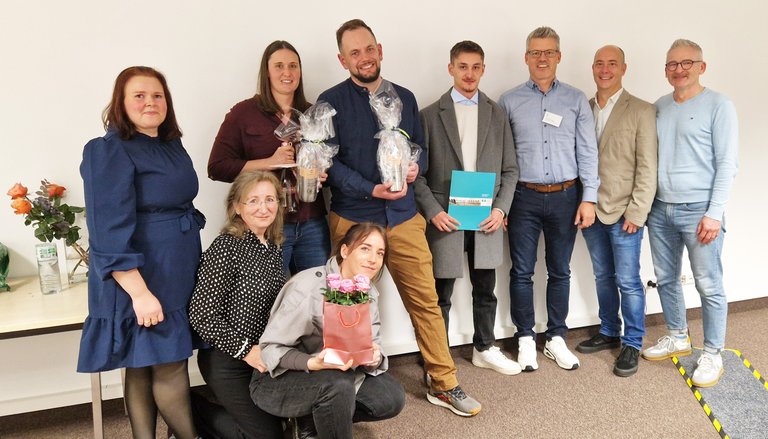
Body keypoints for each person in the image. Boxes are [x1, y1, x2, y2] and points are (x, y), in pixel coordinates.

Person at [317, 18, 481, 416]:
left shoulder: (403, 97)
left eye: (369, 49)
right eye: (354, 52)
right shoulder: (328, 102)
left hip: (405, 218)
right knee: (348, 304)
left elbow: (419, 148)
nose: (364, 57)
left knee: (425, 301)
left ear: (380, 50)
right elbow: (328, 164)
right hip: (354, 219)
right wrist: (369, 188)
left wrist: (413, 166)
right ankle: (346, 387)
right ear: (342, 59)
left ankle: (443, 382)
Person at [77, 66, 205, 439]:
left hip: (174, 269)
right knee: (168, 364)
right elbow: (107, 230)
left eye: (158, 95)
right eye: (139, 95)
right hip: (140, 273)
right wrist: (139, 292)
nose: (150, 102)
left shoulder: (169, 144)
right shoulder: (108, 151)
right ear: (121, 102)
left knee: (143, 362)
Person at [413, 40, 521, 375]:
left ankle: (484, 347)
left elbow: (510, 170)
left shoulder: (496, 113)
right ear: (451, 68)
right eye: (463, 66)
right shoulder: (429, 115)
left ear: (483, 69)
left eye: (476, 67)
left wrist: (501, 210)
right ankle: (437, 355)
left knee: (485, 289)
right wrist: (433, 211)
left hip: (486, 217)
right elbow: (415, 174)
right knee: (439, 293)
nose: (469, 74)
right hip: (447, 218)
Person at [498, 26, 599, 372]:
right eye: (535, 52)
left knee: (560, 271)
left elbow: (587, 151)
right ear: (526, 57)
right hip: (523, 198)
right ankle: (525, 338)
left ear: (559, 56)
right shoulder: (508, 101)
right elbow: (501, 158)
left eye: (549, 52)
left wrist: (590, 198)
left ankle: (556, 337)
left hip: (566, 197)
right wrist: (503, 203)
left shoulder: (575, 99)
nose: (542, 59)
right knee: (521, 272)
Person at [641, 39, 738, 388]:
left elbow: (727, 164)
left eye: (686, 63)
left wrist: (714, 213)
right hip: (660, 209)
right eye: (671, 64)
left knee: (708, 284)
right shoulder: (659, 107)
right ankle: (678, 336)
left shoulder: (719, 105)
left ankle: (713, 353)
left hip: (699, 211)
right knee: (666, 278)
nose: (678, 69)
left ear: (702, 66)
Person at [251, 223, 405, 439]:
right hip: (278, 378)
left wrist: (374, 356)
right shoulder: (308, 287)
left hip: (336, 375)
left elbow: (373, 342)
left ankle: (312, 421)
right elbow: (269, 349)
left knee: (392, 398)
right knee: (338, 385)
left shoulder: (367, 292)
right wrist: (313, 363)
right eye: (365, 248)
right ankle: (311, 416)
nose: (373, 259)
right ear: (344, 251)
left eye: (380, 253)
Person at [207, 40, 330, 275]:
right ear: (267, 72)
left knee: (315, 296)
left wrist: (321, 173)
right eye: (279, 66)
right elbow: (217, 167)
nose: (287, 72)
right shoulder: (244, 113)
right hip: (266, 224)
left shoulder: (314, 114)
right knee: (265, 301)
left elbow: (332, 162)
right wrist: (270, 162)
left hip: (311, 222)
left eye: (293, 66)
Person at [575, 45, 657, 378]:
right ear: (592, 68)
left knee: (629, 281)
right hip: (591, 211)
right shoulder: (585, 107)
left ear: (624, 68)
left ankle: (633, 342)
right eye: (599, 63)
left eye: (612, 64)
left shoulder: (641, 110)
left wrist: (637, 213)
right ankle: (609, 330)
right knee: (603, 277)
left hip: (625, 213)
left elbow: (647, 166)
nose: (605, 69)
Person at [189, 171, 286, 438]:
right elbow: (201, 316)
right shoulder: (226, 247)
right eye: (252, 201)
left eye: (269, 199)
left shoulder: (274, 246)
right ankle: (194, 409)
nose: (263, 208)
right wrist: (246, 351)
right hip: (228, 360)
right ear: (236, 207)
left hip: (263, 357)